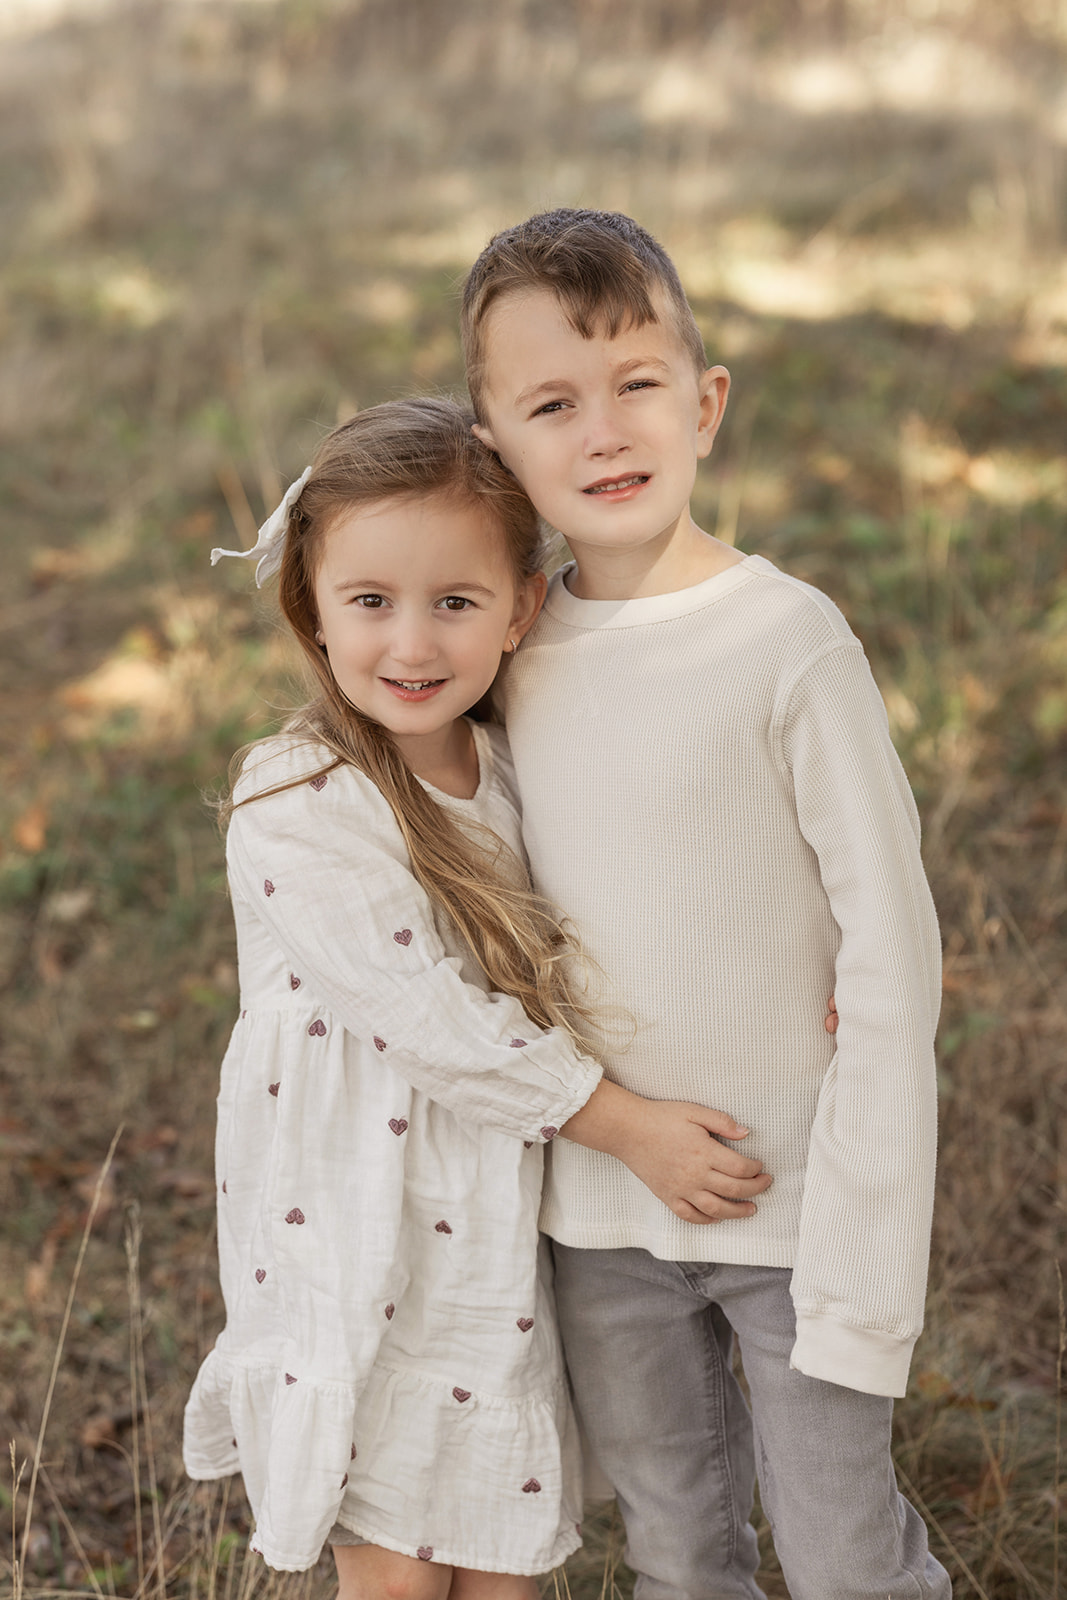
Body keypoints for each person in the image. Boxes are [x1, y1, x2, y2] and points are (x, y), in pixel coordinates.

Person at [182, 397, 772, 1600]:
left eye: (454, 601)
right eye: (369, 601)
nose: (411, 640)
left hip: (494, 1241)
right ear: (311, 603)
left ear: (522, 606)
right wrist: (628, 1127)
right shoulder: (297, 796)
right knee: (396, 1575)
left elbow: (644, 900)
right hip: (359, 1238)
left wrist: (800, 976)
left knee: (499, 1571)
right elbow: (432, 1021)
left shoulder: (519, 765)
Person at [461, 210, 951, 1600]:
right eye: (552, 404)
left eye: (635, 385)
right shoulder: (510, 648)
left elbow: (889, 949)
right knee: (677, 1554)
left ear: (704, 403)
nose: (602, 431)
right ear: (495, 446)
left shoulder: (783, 640)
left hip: (792, 1198)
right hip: (604, 1206)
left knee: (843, 1556)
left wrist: (868, 1207)